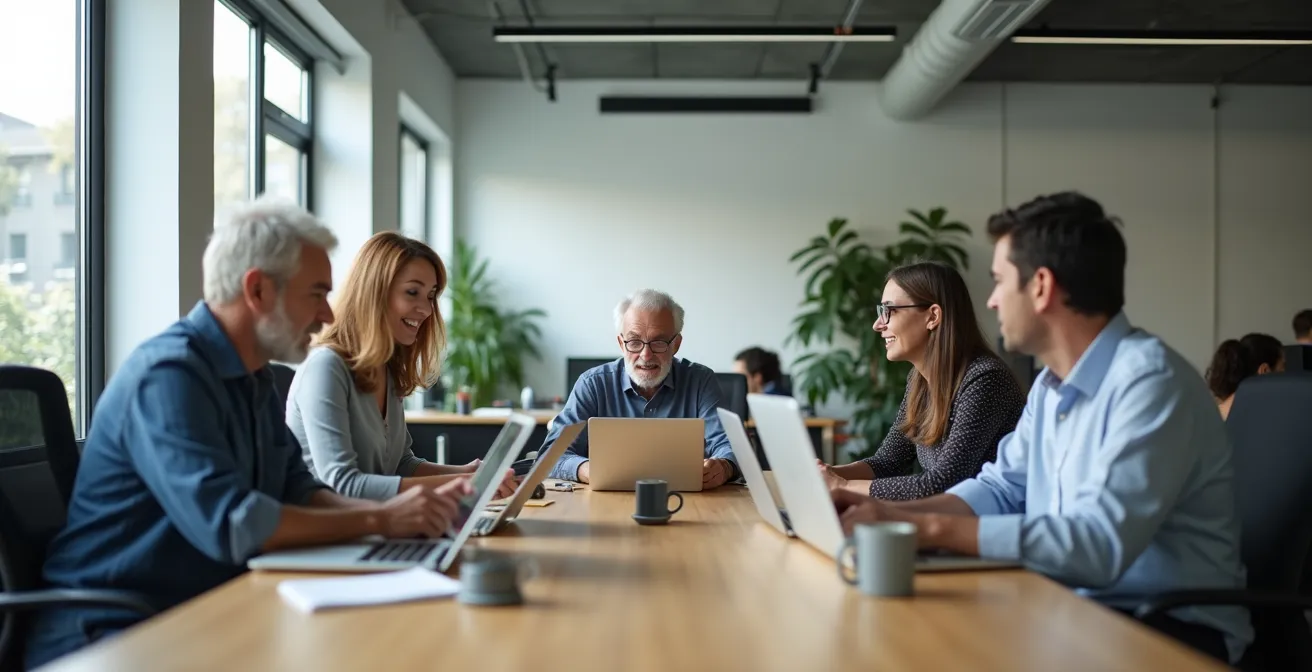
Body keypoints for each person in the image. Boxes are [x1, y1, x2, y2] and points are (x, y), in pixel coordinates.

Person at [25, 199, 472, 669]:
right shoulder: (168, 376)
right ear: (258, 291)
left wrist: (395, 516)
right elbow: (235, 524)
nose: (326, 315)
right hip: (112, 632)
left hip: (200, 610)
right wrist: (380, 520)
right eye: (316, 294)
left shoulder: (252, 377)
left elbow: (299, 491)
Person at [830, 192, 1252, 665]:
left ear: (1041, 287)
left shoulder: (1149, 383)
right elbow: (1001, 488)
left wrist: (918, 525)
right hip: (1071, 605)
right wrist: (881, 511)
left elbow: (1097, 545)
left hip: (1165, 629)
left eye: (998, 281)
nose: (990, 300)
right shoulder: (1052, 387)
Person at [286, 232, 515, 501]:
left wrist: (470, 472)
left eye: (430, 295)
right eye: (412, 292)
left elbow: (401, 464)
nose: (427, 309)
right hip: (330, 536)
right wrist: (465, 482)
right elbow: (342, 485)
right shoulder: (326, 367)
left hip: (377, 527)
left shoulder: (387, 368)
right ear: (374, 293)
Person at [818, 262, 1025, 500]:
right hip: (947, 522)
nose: (878, 325)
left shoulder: (986, 380)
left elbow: (942, 484)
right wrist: (826, 474)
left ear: (933, 316)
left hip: (983, 527)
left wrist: (842, 486)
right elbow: (887, 462)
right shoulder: (920, 380)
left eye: (889, 311)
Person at [539, 289, 738, 489]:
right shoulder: (592, 384)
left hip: (689, 502)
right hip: (604, 504)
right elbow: (551, 455)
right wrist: (589, 470)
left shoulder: (701, 381)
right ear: (621, 344)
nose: (646, 355)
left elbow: (730, 447)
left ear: (676, 344)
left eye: (658, 343)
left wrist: (723, 467)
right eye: (634, 342)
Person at [1205, 333, 1284, 420]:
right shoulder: (1265, 419)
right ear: (1264, 371)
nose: (1287, 375)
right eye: (1283, 367)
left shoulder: (1212, 415)